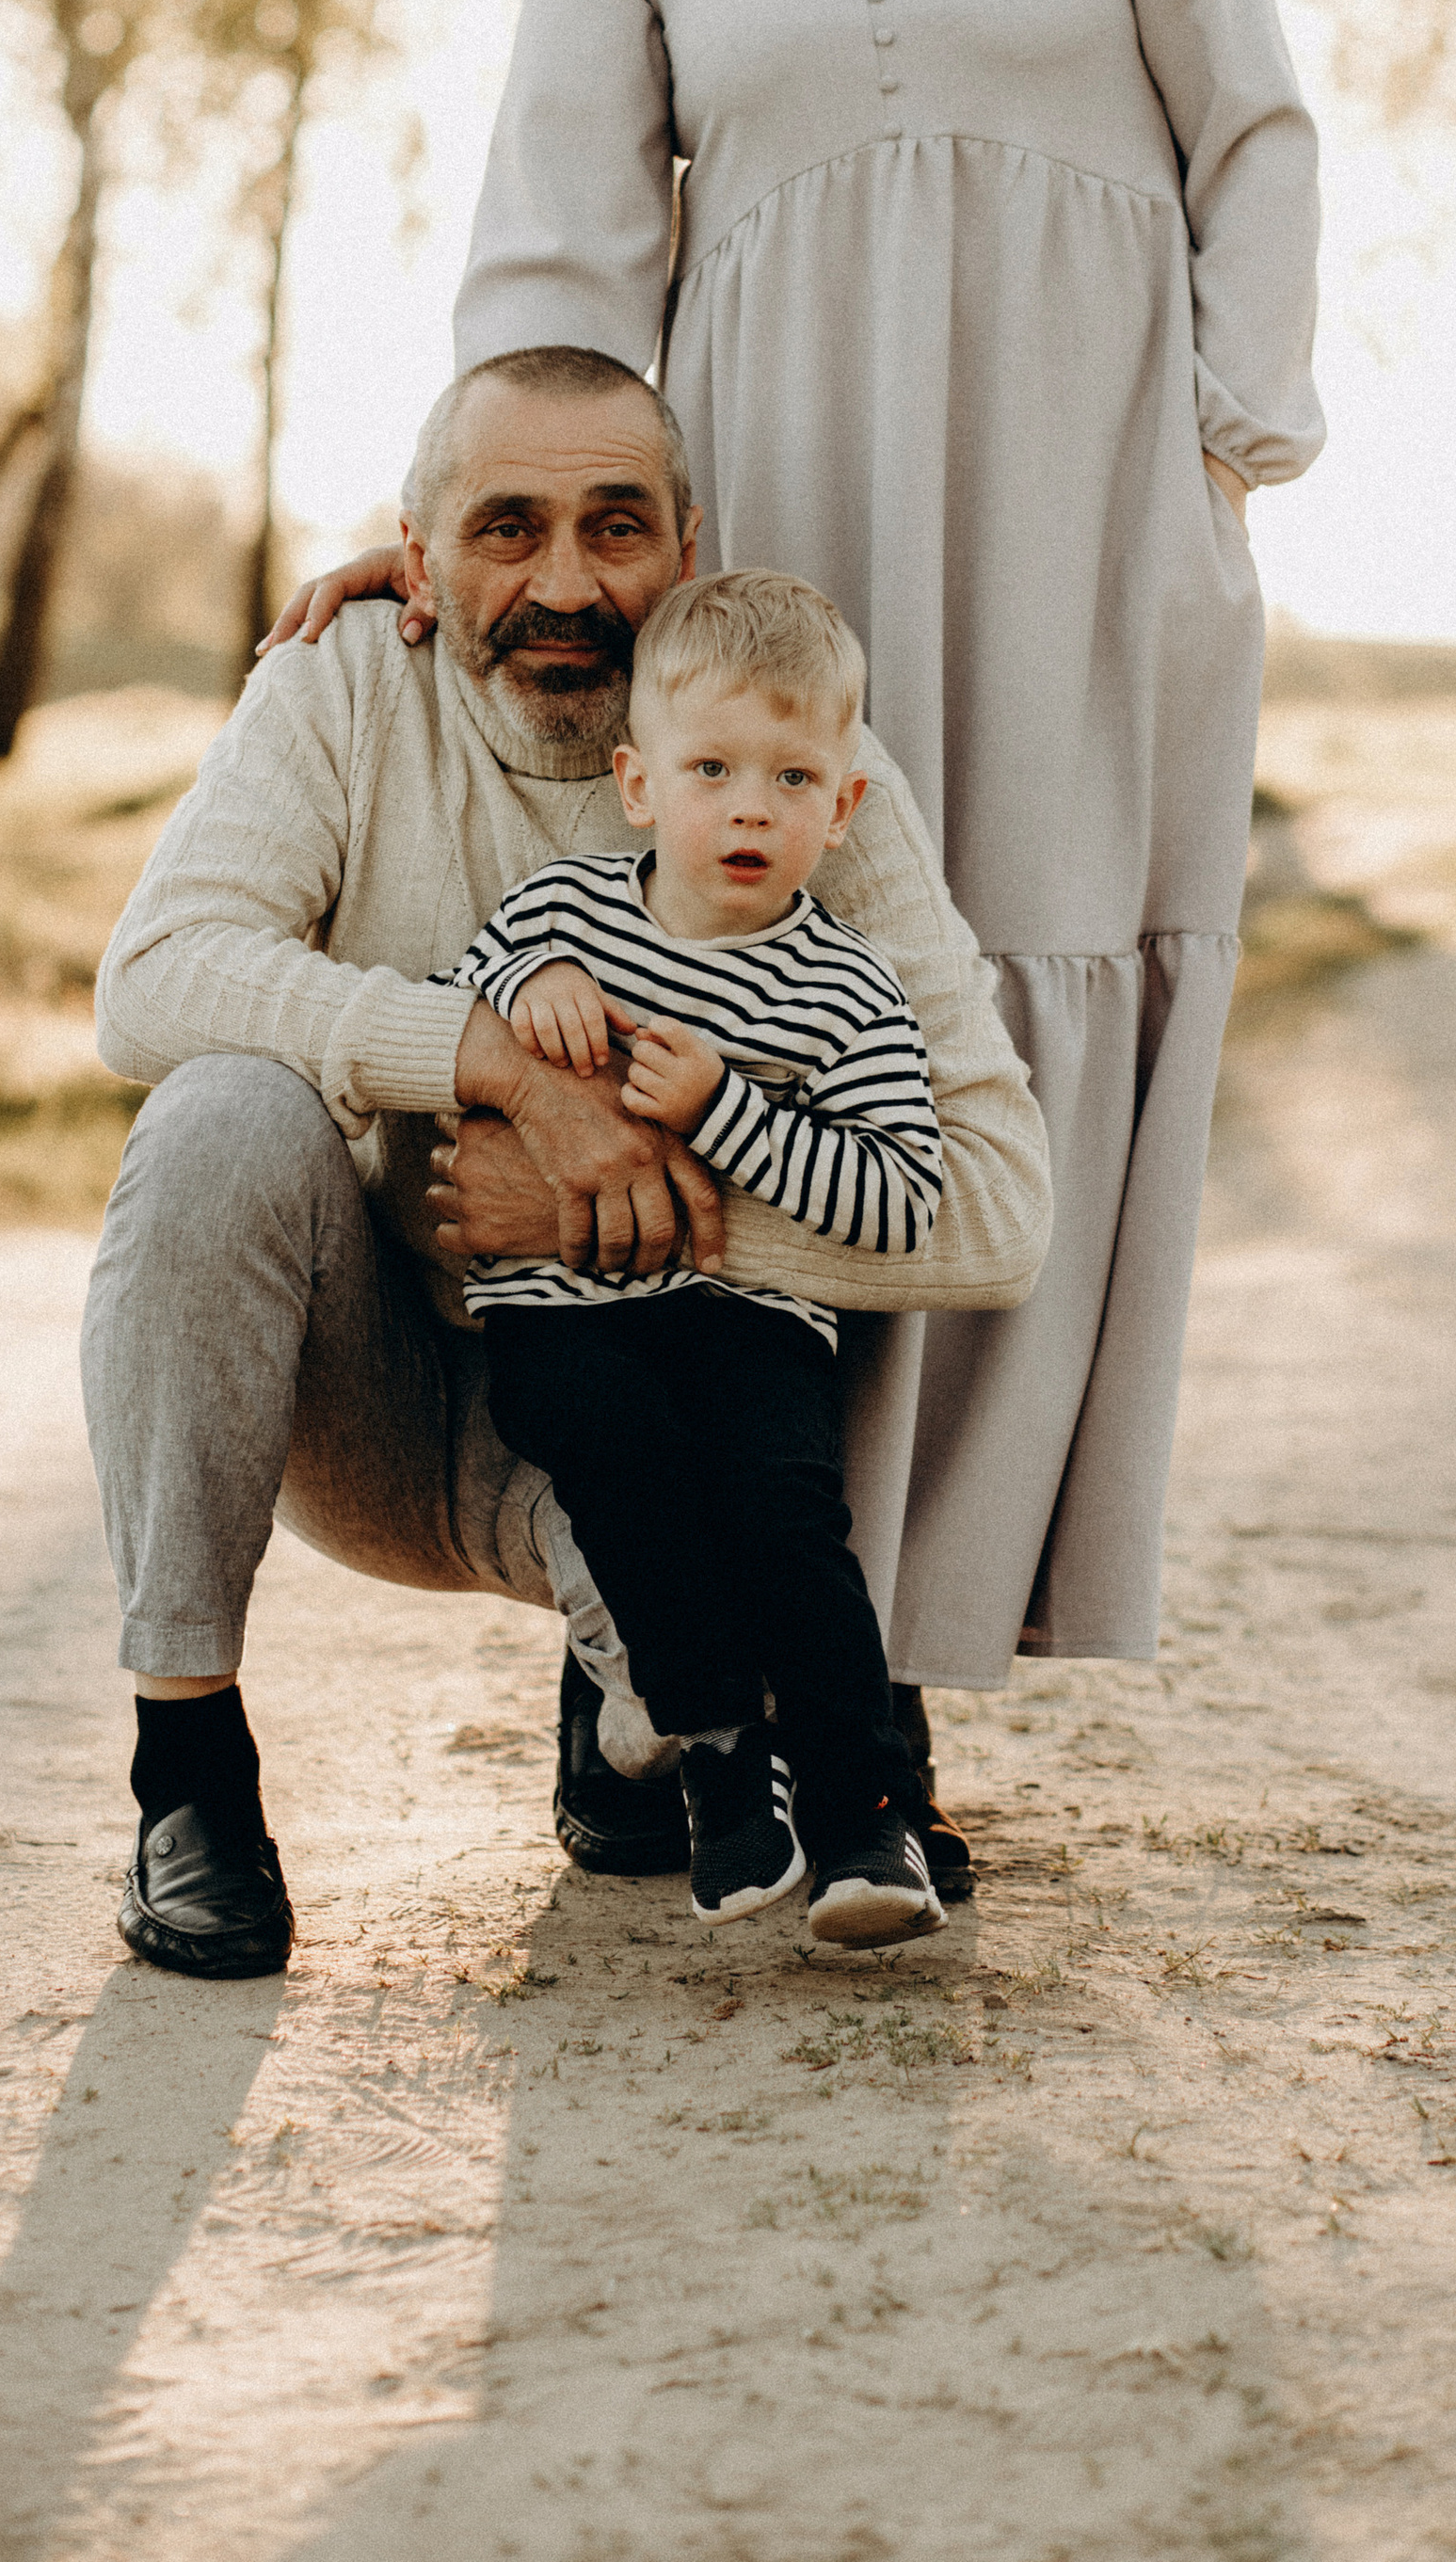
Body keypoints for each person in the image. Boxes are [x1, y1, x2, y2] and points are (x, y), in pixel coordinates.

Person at [268, 0, 1323, 1781]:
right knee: (724, 1016)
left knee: (967, 1046)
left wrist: (1220, 457)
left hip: (1082, 520)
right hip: (758, 559)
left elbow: (1252, 129)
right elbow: (549, 270)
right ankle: (654, 1648)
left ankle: (892, 1652)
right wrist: (445, 528)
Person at [86, 344, 1047, 1978]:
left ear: (685, 541)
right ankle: (188, 1777)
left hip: (671, 1418)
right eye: (504, 528)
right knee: (216, 1115)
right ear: (419, 550)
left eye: (616, 528)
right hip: (380, 1392)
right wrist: (501, 1075)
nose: (563, 583)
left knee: (716, 1698)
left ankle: (639, 1724)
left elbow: (998, 1209)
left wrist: (648, 1212)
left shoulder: (793, 776)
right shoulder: (339, 689)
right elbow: (153, 975)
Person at [457, 568, 946, 1946]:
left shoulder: (848, 990)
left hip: (750, 1314)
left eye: (793, 776)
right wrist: (510, 997)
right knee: (603, 1439)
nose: (748, 806)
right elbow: (440, 1037)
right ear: (637, 784)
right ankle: (726, 1760)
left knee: (784, 1510)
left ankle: (866, 1820)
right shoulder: (557, 917)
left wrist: (724, 1113)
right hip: (565, 1310)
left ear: (842, 806)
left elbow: (901, 1198)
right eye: (713, 768)